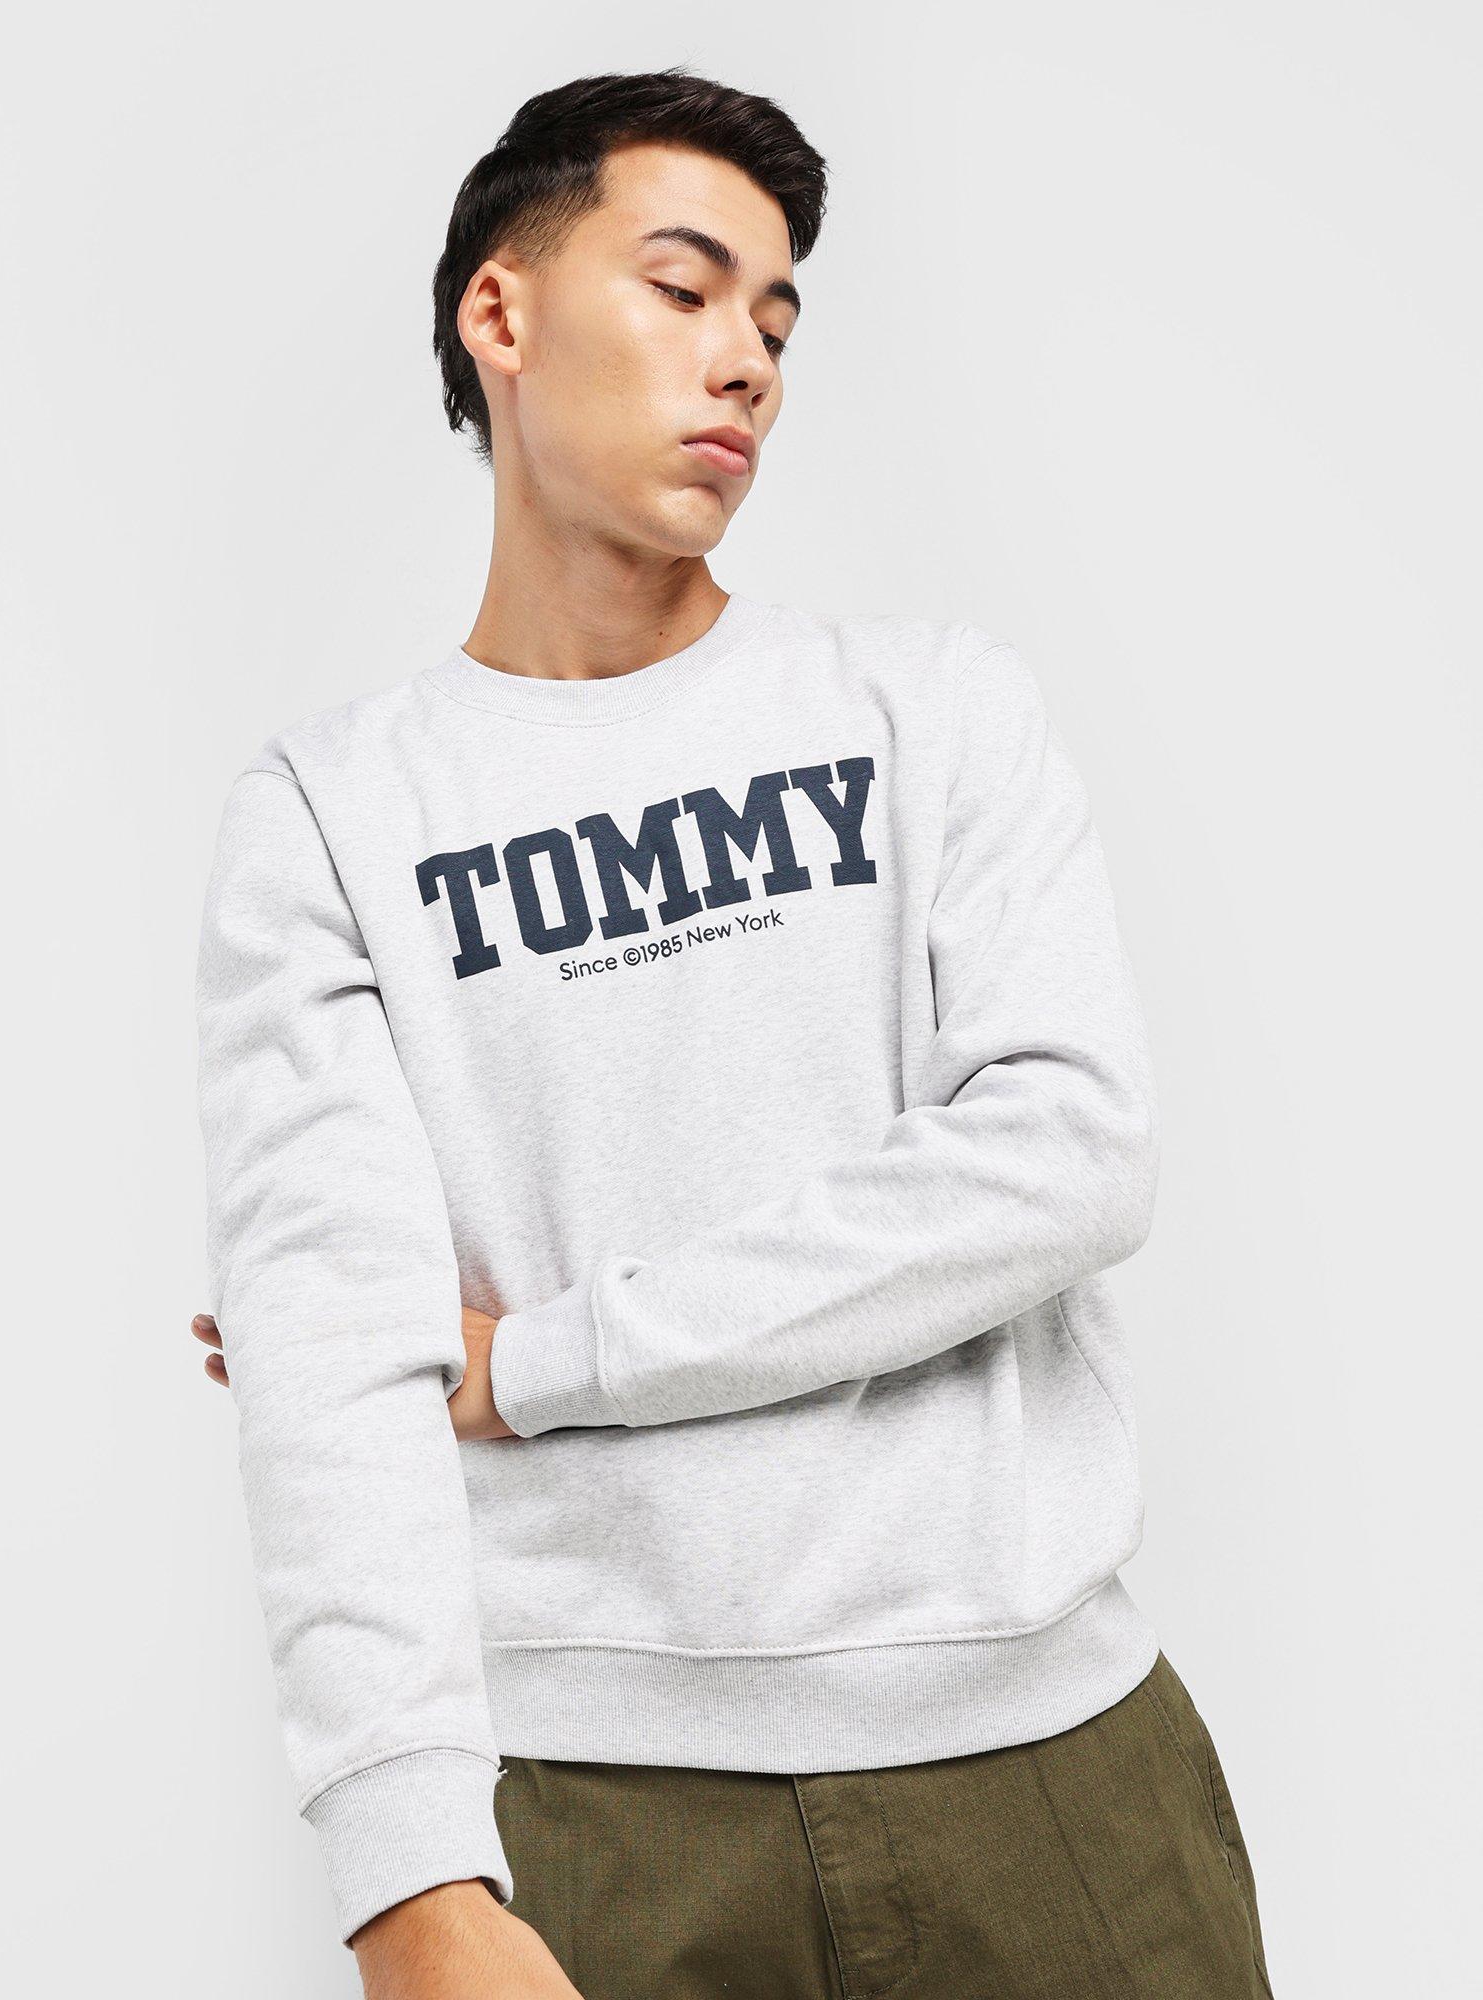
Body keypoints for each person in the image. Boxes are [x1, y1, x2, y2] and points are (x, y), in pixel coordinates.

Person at [191, 65, 1275, 2000]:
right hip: (596, 1807)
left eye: (777, 317)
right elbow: (332, 1363)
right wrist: (406, 1876)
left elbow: (1068, 1158)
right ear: (502, 311)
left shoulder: (934, 712)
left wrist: (544, 1363)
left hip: (1046, 1760)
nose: (750, 359)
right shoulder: (334, 814)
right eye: (684, 288)